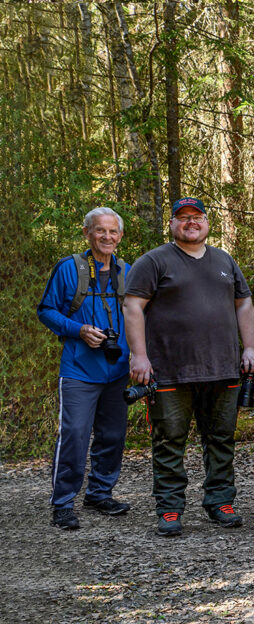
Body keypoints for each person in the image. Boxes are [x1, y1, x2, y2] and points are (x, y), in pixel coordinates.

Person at [123, 197, 254, 537]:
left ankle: (220, 502)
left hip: (224, 367)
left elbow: (244, 304)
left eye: (197, 217)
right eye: (182, 218)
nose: (190, 223)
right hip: (169, 370)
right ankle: (169, 509)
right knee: (169, 440)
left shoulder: (224, 261)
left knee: (221, 439)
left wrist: (251, 348)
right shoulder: (153, 261)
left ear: (207, 222)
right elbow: (132, 307)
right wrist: (139, 356)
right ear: (171, 224)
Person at [37, 207, 132, 530]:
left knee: (114, 435)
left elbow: (137, 316)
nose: (107, 237)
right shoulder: (68, 269)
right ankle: (63, 503)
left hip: (118, 367)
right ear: (87, 233)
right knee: (75, 434)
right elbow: (46, 311)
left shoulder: (126, 270)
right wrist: (78, 330)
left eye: (113, 231)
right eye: (100, 231)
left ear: (120, 236)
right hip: (79, 368)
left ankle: (100, 492)